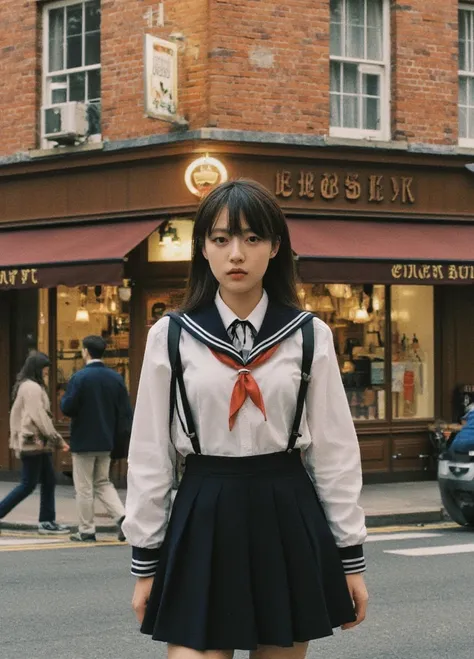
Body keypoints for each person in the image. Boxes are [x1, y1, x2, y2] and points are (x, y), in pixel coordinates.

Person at [123, 179, 368, 659]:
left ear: (275, 247)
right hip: (204, 507)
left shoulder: (309, 335)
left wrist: (350, 558)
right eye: (221, 239)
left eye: (252, 238)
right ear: (203, 249)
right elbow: (150, 454)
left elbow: (335, 451)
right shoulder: (170, 337)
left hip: (285, 507)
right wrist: (145, 563)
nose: (237, 253)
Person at [60, 335, 132, 542]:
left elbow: (67, 407)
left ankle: (87, 530)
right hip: (107, 439)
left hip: (83, 440)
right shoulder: (115, 378)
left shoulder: (79, 377)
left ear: (85, 352)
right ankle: (122, 519)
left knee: (84, 487)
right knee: (103, 482)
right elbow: (125, 412)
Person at [0, 351, 70, 535]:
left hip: (38, 444)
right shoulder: (31, 387)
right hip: (34, 444)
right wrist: (58, 439)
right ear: (37, 368)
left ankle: (47, 520)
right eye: (45, 367)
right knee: (28, 484)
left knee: (48, 481)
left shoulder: (29, 385)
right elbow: (39, 417)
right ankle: (45, 521)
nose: (47, 371)